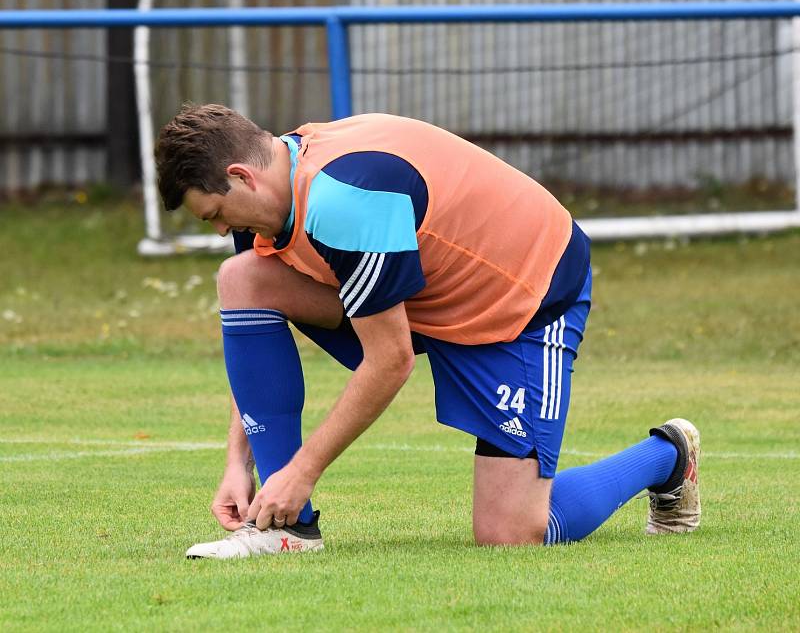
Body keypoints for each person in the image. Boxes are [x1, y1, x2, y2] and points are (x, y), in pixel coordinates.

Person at [154, 104, 701, 559]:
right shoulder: (270, 196)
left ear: (242, 176)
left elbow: (390, 360)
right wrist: (237, 462)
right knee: (244, 278)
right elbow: (250, 336)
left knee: (510, 534)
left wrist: (303, 469)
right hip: (427, 288)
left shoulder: (346, 198)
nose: (223, 228)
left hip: (523, 296)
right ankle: (285, 529)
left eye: (216, 214)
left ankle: (668, 457)